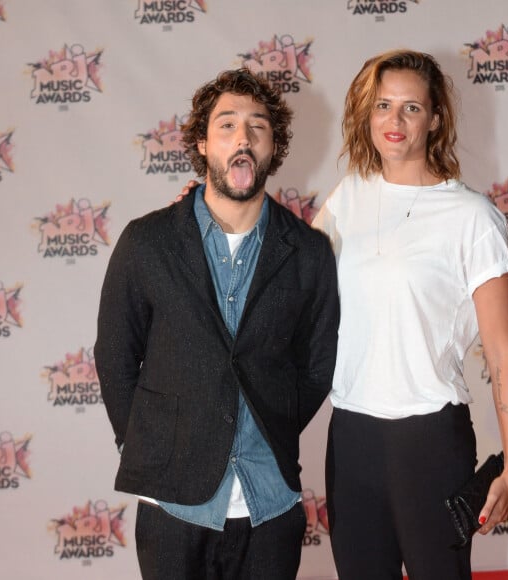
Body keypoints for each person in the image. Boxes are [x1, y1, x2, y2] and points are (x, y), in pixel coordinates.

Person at [94, 68, 339, 580]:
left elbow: (317, 367)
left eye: (258, 126)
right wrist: (150, 442)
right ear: (202, 143)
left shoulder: (309, 251)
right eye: (226, 125)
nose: (243, 138)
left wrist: (272, 421)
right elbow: (116, 357)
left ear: (275, 146)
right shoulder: (147, 242)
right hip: (171, 505)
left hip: (270, 503)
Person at [312, 50, 508, 580]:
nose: (395, 119)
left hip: (431, 443)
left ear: (435, 119)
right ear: (367, 113)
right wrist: (204, 212)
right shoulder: (348, 198)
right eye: (383, 105)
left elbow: (502, 352)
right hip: (352, 438)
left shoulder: (472, 217)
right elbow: (284, 274)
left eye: (412, 107)